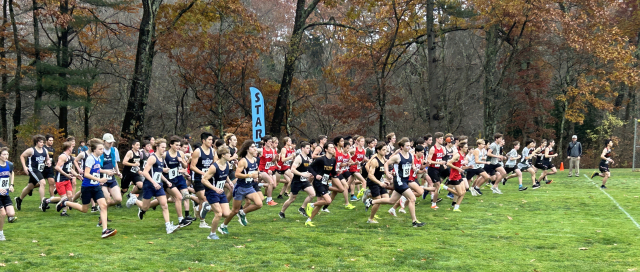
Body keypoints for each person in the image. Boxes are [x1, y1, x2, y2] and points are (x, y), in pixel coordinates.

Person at [56, 138, 117, 238]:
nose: (102, 151)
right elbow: (86, 174)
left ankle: (104, 230)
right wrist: (99, 180)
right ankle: (65, 202)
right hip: (87, 187)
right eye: (100, 149)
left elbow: (97, 168)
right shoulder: (90, 159)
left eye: (102, 149)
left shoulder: (97, 158)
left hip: (96, 187)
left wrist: (105, 171)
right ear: (94, 150)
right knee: (84, 209)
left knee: (104, 205)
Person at [365, 137, 425, 227]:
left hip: (406, 180)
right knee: (412, 198)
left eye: (410, 146)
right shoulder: (397, 157)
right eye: (407, 146)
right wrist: (388, 174)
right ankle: (414, 222)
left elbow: (412, 166)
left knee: (391, 201)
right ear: (401, 147)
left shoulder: (411, 156)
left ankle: (371, 202)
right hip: (399, 181)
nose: (409, 147)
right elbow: (386, 163)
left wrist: (414, 169)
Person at [133, 138, 181, 234]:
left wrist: (167, 181)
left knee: (164, 205)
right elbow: (145, 172)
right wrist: (153, 182)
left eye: (165, 147)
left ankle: (168, 227)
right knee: (145, 208)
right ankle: (134, 200)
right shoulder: (153, 158)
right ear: (157, 147)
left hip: (159, 185)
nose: (164, 149)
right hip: (149, 185)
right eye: (162, 147)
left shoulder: (161, 158)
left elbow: (158, 173)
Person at [219, 140, 263, 230]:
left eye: (255, 147)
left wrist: (256, 176)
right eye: (253, 147)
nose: (255, 148)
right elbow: (237, 174)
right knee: (234, 210)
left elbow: (256, 170)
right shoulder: (243, 161)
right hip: (240, 188)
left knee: (259, 204)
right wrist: (250, 175)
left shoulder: (254, 160)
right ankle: (223, 226)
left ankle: (242, 212)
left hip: (249, 187)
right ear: (247, 149)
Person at [200, 146, 232, 240]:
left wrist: (229, 181)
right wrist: (215, 189)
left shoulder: (227, 164)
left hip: (220, 191)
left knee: (226, 214)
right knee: (218, 214)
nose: (230, 155)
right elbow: (204, 180)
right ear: (223, 155)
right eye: (229, 153)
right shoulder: (214, 167)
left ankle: (207, 207)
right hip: (212, 191)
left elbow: (225, 174)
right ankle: (212, 234)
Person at [304, 142, 338, 227]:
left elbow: (332, 172)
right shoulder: (321, 159)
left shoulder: (333, 160)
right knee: (328, 201)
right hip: (318, 183)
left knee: (320, 204)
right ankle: (311, 204)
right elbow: (309, 167)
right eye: (330, 147)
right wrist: (316, 175)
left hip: (325, 182)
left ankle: (309, 220)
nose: (332, 149)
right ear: (326, 149)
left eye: (333, 147)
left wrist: (337, 173)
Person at [279, 141, 315, 219]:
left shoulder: (308, 158)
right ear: (302, 148)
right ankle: (282, 212)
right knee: (292, 199)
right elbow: (292, 169)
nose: (309, 150)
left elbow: (307, 168)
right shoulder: (299, 158)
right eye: (307, 148)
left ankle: (302, 208)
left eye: (309, 148)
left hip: (304, 181)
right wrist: (303, 174)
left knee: (312, 194)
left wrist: (311, 173)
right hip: (297, 181)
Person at [15, 135, 50, 211]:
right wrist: (24, 167)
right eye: (40, 142)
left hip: (40, 170)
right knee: (43, 183)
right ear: (36, 142)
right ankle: (42, 203)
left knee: (30, 186)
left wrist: (48, 162)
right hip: (32, 169)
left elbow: (47, 159)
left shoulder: (45, 150)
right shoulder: (31, 150)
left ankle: (19, 199)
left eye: (43, 142)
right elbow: (22, 156)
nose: (42, 143)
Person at [190, 132, 215, 228]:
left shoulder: (212, 151)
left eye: (212, 140)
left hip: (208, 180)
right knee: (204, 200)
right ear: (203, 141)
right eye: (209, 140)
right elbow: (192, 166)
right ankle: (202, 221)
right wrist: (203, 173)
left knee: (205, 201)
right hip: (198, 179)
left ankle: (198, 212)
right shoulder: (198, 151)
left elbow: (213, 164)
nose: (211, 142)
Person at [51, 142, 80, 216]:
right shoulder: (63, 156)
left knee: (70, 196)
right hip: (60, 179)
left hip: (67, 179)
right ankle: (61, 209)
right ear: (68, 148)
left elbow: (69, 168)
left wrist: (76, 175)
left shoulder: (70, 157)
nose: (73, 148)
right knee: (64, 198)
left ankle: (63, 211)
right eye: (71, 147)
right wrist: (66, 174)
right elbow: (57, 167)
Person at [0, 147, 17, 241]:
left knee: (11, 213)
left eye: (7, 154)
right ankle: (1, 234)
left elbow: (12, 173)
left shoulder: (9, 164)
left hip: (5, 193)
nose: (6, 156)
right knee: (3, 214)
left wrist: (11, 185)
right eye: (4, 154)